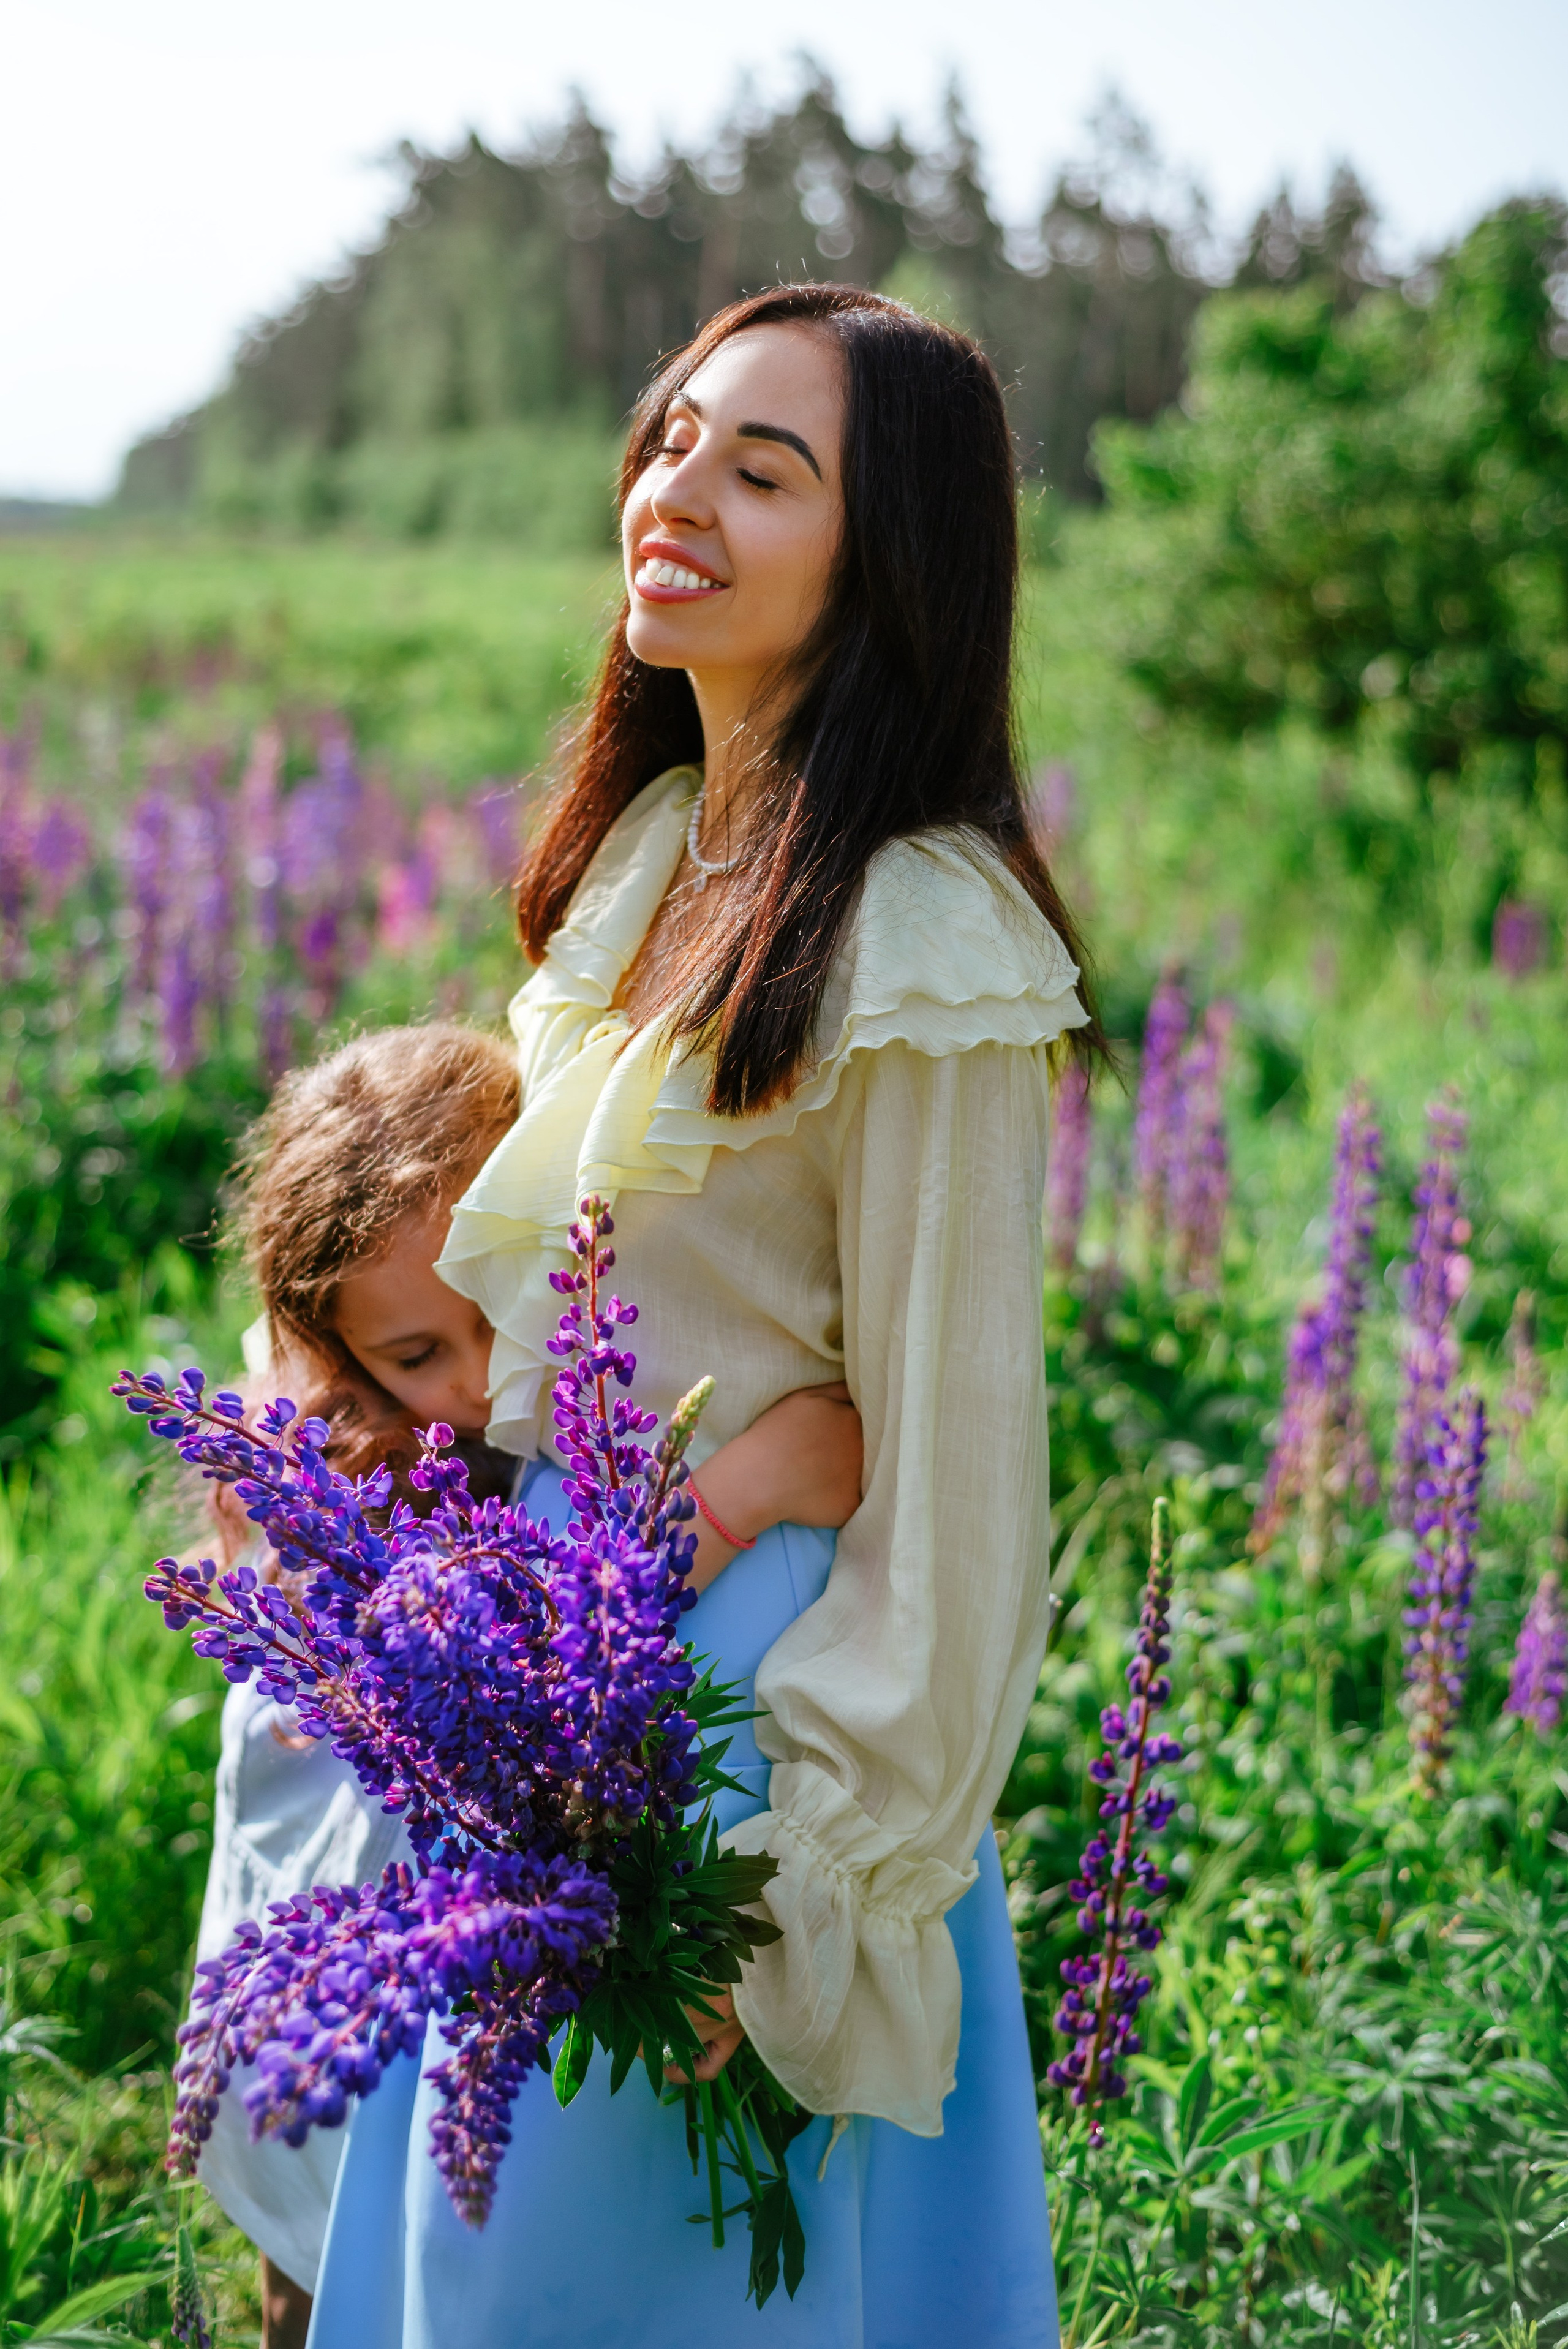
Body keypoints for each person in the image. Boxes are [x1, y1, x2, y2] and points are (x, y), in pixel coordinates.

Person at [306, 283, 1104, 2349]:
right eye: (672, 438)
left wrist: (795, 1903)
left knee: (657, 2285)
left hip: (749, 1736)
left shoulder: (926, 927)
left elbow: (954, 1476)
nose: (677, 490)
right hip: (547, 1669)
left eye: (766, 469)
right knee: (499, 2258)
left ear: (890, 547)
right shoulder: (655, 845)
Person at [191, 1024, 862, 2348]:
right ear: (332, 1351)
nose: (484, 1379)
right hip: (339, 1986)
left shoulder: (576, 1389)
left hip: (446, 1984)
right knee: (328, 2273)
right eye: (414, 1354)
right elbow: (565, 1654)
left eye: (494, 1311)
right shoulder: (357, 1477)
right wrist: (751, 1484)